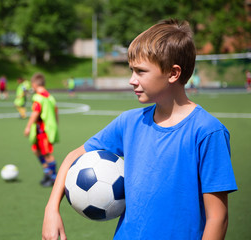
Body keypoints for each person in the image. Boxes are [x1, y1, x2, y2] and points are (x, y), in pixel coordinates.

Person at [42, 19, 237, 240]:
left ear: (173, 73)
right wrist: (51, 209)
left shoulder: (207, 132)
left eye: (140, 71)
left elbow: (217, 218)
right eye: (131, 70)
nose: (131, 80)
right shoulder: (129, 122)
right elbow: (72, 158)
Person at [24, 73, 59, 187]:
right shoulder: (50, 97)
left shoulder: (39, 97)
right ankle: (47, 172)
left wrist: (28, 126)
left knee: (47, 153)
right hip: (45, 129)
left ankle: (53, 177)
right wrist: (55, 125)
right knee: (35, 149)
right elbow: (56, 112)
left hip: (43, 130)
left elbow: (36, 112)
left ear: (34, 84)